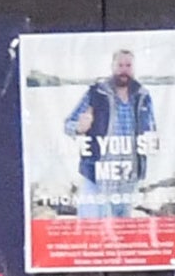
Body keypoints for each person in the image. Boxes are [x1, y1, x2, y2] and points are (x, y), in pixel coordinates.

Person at [66, 48, 159, 215]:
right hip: (97, 172)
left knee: (122, 229)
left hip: (129, 175)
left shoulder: (143, 96)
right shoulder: (95, 93)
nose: (124, 69)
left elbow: (152, 131)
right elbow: (69, 124)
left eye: (128, 65)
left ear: (134, 68)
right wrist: (79, 127)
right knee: (91, 228)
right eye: (120, 65)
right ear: (112, 67)